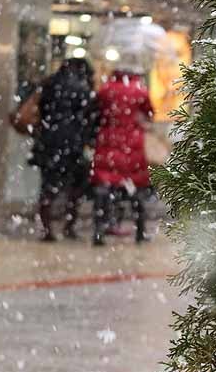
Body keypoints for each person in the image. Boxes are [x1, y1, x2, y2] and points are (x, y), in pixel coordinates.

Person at [31, 59, 99, 242]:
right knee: (75, 188)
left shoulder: (49, 83)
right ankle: (69, 226)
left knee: (48, 187)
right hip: (73, 143)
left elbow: (42, 110)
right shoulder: (83, 88)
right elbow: (89, 117)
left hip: (49, 141)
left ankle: (47, 229)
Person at [91, 64, 154, 246]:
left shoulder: (105, 90)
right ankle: (140, 231)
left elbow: (96, 112)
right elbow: (149, 113)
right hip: (132, 145)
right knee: (135, 189)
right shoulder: (139, 90)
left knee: (104, 188)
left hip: (108, 143)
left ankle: (98, 232)